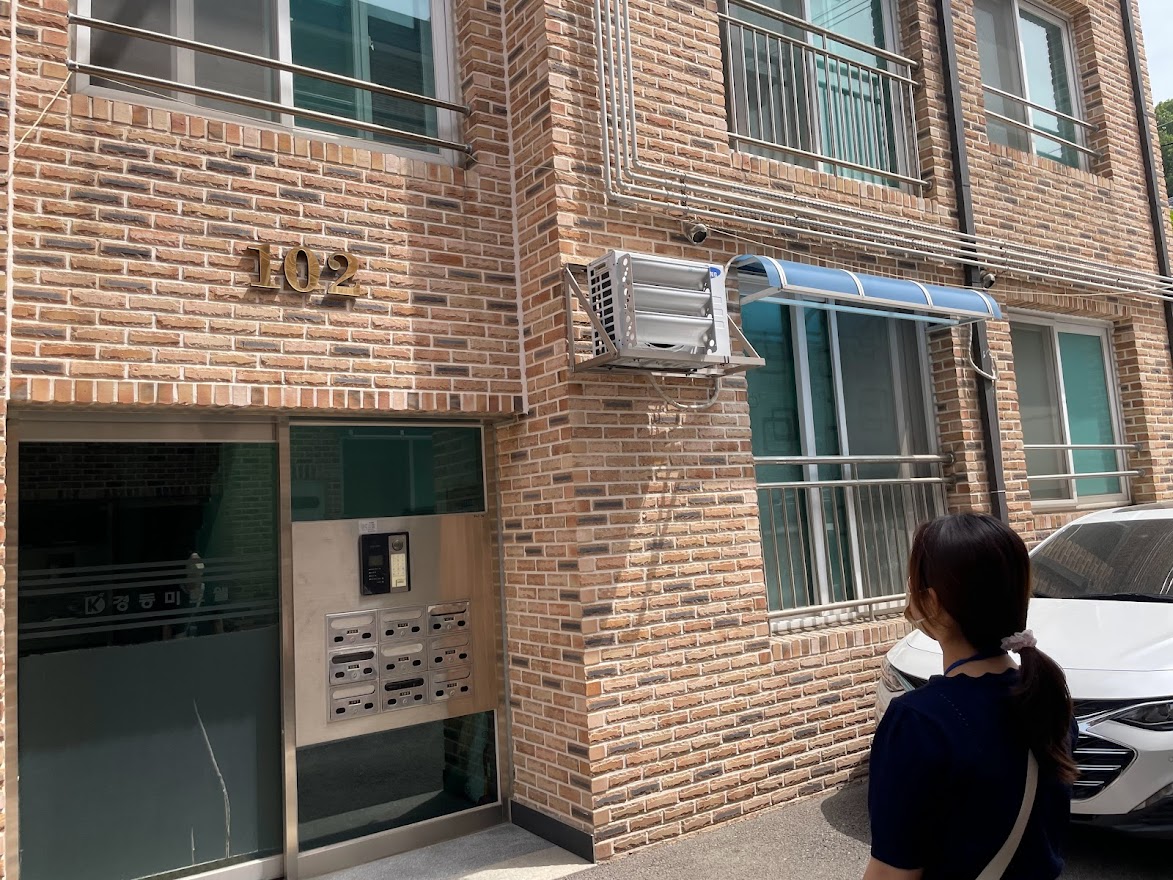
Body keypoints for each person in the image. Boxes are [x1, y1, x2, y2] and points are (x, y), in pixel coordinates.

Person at [863, 513, 1077, 880]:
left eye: (913, 583)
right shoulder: (1048, 700)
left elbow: (891, 873)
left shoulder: (919, 722)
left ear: (931, 602)